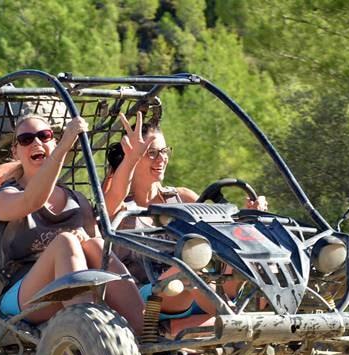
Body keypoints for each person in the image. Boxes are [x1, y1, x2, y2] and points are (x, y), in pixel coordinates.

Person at [103, 112, 268, 320]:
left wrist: (251, 218)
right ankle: (233, 322)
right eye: (151, 153)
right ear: (133, 156)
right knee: (186, 268)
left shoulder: (182, 198)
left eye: (164, 151)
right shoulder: (119, 205)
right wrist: (130, 159)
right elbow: (111, 200)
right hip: (147, 297)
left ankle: (277, 323)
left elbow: (221, 235)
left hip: (197, 291)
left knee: (248, 251)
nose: (162, 158)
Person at [0, 114, 144, 333]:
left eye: (44, 136)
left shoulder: (76, 199)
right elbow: (32, 200)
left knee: (97, 245)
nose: (36, 143)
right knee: (66, 242)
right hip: (21, 296)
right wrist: (64, 147)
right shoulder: (4, 196)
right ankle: (92, 336)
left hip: (75, 292)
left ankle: (147, 335)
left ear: (52, 140)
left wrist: (132, 160)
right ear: (15, 151)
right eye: (26, 139)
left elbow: (112, 203)